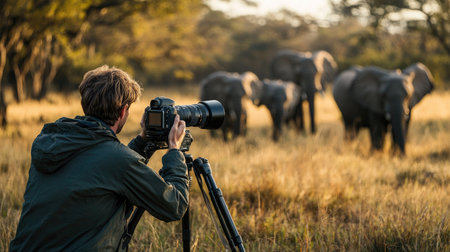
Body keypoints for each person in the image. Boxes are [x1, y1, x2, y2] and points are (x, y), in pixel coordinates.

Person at [9, 65, 189, 251]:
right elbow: (174, 206)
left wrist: (143, 141)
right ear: (123, 111)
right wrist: (175, 150)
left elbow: (104, 166)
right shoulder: (117, 160)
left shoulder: (52, 141)